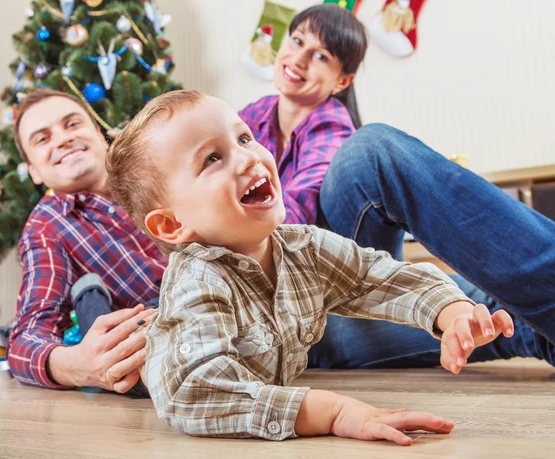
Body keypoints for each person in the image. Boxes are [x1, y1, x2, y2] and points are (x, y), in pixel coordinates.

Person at [6, 6, 554, 395]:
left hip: (303, 282)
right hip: (256, 344)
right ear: (32, 169)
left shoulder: (223, 147)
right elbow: (28, 332)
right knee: (498, 311)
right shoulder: (52, 225)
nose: (63, 138)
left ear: (100, 131)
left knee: (372, 153)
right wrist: (69, 362)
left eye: (71, 122)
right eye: (42, 138)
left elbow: (350, 261)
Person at [105, 89, 516, 444]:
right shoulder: (198, 279)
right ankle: (92, 298)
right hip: (145, 371)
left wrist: (451, 311)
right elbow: (195, 393)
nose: (248, 158)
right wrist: (333, 412)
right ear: (173, 224)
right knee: (127, 353)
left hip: (266, 367)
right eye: (212, 158)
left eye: (245, 137)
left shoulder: (303, 246)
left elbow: (375, 276)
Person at [238, 4, 555, 369]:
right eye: (296, 41)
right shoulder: (250, 118)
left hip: (328, 272)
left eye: (321, 55)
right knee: (497, 312)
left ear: (342, 81)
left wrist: (231, 223)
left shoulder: (330, 127)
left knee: (369, 151)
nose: (300, 58)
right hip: (289, 318)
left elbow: (287, 217)